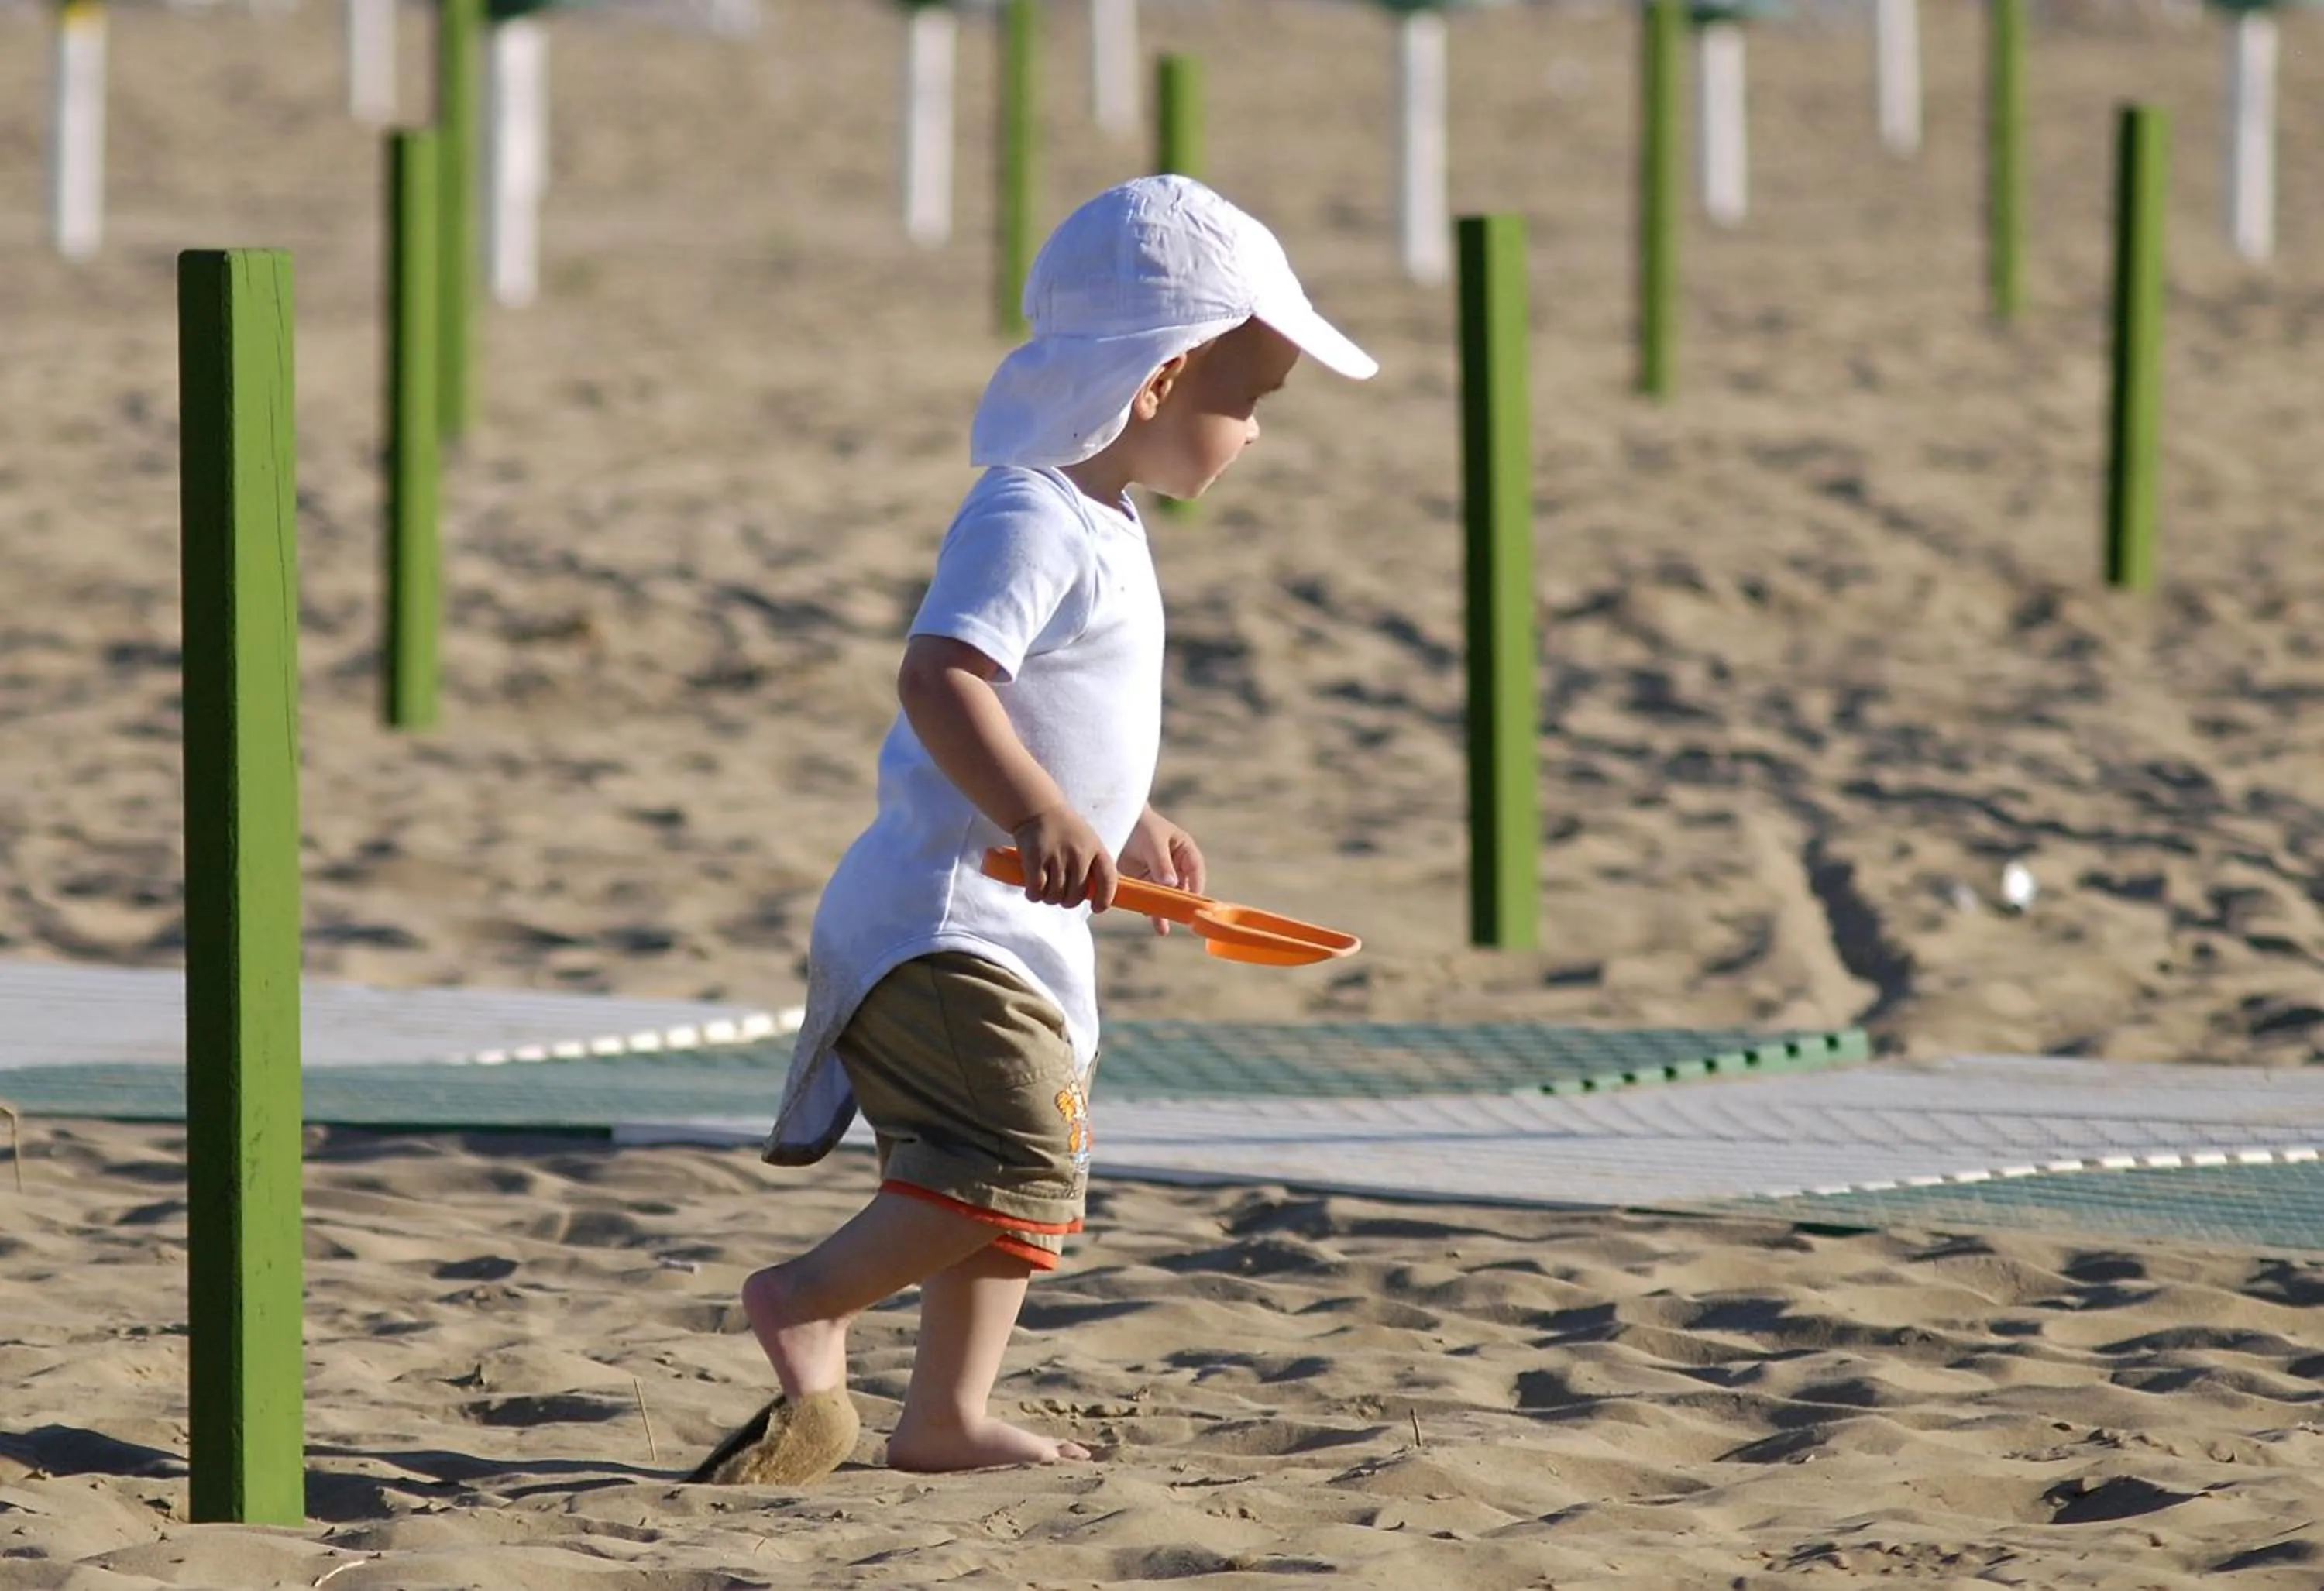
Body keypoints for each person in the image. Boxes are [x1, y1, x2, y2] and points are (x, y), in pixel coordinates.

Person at [690, 175, 1376, 1486]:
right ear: (1162, 379)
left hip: (1016, 923)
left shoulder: (1105, 520)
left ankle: (945, 1415)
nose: (1255, 433)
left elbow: (1056, 704)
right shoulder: (1028, 514)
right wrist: (1041, 809)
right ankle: (808, 1299)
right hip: (945, 921)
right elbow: (943, 674)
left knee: (1011, 1173)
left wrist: (1125, 813)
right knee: (1014, 1157)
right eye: (1252, 400)